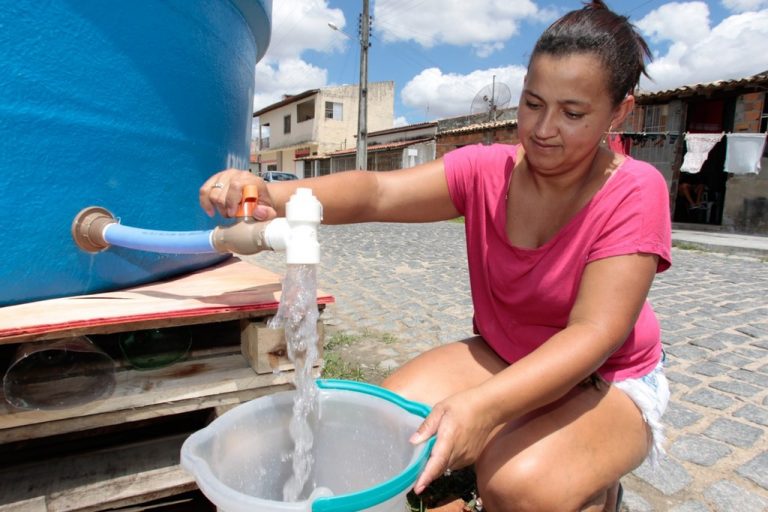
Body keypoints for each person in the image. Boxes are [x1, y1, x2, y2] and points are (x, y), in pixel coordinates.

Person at [200, 2, 671, 510]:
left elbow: (593, 335)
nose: (543, 128)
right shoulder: (485, 171)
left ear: (619, 112)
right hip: (506, 354)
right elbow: (375, 191)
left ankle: (595, 490)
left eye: (573, 113)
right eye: (533, 104)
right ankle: (522, 438)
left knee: (516, 485)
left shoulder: (635, 190)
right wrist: (270, 195)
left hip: (607, 377)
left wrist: (484, 408)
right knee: (387, 429)